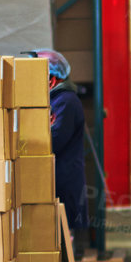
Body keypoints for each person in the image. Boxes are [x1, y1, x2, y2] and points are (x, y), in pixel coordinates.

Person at [30, 49, 88, 249]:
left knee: (63, 235)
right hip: (57, 177)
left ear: (52, 79)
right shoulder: (56, 100)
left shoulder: (65, 102)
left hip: (64, 178)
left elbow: (55, 139)